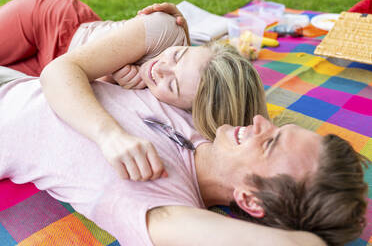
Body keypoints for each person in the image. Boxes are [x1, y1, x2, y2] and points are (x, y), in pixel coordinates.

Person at [0, 69, 368, 246]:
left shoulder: (158, 204)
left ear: (250, 199)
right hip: (17, 80)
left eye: (269, 143)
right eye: (276, 128)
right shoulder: (203, 123)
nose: (259, 122)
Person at [0, 0, 268, 181]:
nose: (160, 68)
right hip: (50, 26)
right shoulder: (164, 29)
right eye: (178, 55)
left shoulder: (177, 115)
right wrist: (109, 135)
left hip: (48, 72)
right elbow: (61, 71)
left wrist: (108, 79)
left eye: (172, 84)